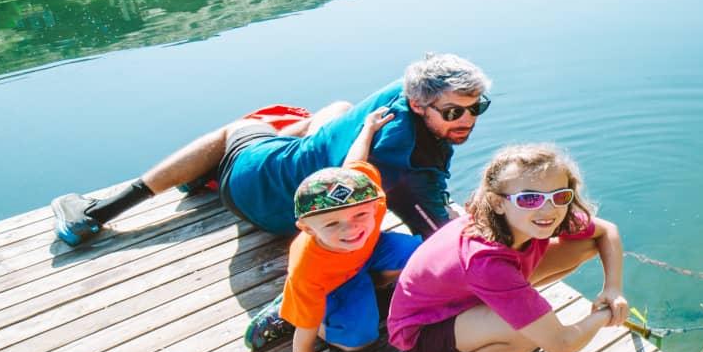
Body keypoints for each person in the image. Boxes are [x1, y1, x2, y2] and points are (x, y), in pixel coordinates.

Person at [49, 53, 492, 247]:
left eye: (477, 108)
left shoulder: (404, 91)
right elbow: (440, 238)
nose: (467, 120)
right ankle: (98, 213)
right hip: (262, 193)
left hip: (282, 202)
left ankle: (120, 203)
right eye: (453, 113)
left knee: (305, 114)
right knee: (251, 130)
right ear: (417, 103)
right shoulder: (409, 167)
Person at [386, 142, 627, 352]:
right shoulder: (486, 262)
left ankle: (503, 315)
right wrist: (604, 314)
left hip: (470, 294)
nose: (548, 210)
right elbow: (562, 345)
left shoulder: (543, 215)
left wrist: (613, 288)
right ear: (498, 202)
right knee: (524, 335)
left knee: (584, 244)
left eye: (560, 196)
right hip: (424, 326)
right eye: (529, 199)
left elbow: (607, 231)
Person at [244, 107, 421, 352]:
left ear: (374, 202)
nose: (350, 229)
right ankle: (290, 310)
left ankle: (365, 287)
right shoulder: (308, 267)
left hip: (367, 254)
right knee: (356, 340)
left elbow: (355, 160)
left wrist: (368, 127)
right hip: (330, 281)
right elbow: (308, 332)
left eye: (360, 216)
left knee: (423, 257)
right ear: (308, 228)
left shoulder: (361, 189)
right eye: (332, 223)